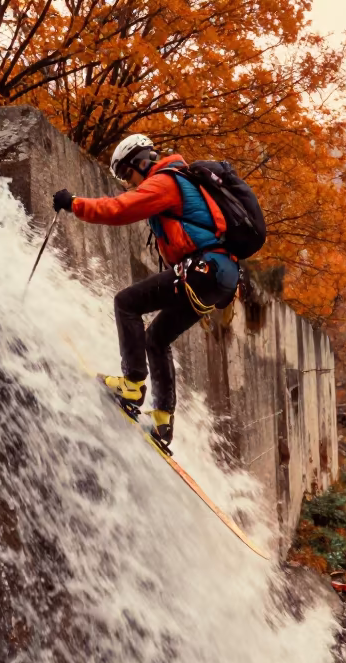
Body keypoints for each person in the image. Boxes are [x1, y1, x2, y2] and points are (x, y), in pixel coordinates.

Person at [52, 134, 239, 447]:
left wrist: (73, 204)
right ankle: (163, 421)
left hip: (204, 270)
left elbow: (119, 209)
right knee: (157, 338)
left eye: (127, 173)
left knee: (126, 302)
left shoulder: (164, 181)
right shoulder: (180, 181)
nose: (128, 182)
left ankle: (132, 384)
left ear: (141, 161)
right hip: (219, 277)